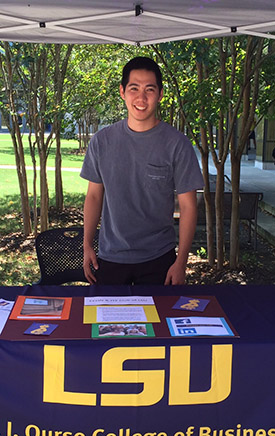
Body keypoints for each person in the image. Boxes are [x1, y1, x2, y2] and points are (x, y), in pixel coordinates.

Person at [81, 56, 203, 286]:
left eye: (149, 89)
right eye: (134, 88)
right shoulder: (102, 141)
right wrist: (87, 244)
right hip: (110, 257)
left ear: (160, 94)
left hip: (159, 259)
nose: (141, 97)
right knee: (108, 322)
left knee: (160, 322)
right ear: (122, 92)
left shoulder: (177, 144)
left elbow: (188, 207)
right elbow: (94, 196)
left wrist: (182, 262)